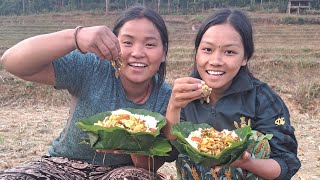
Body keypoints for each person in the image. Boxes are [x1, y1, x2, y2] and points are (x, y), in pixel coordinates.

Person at [0, 6, 171, 179]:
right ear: (113, 44)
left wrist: (136, 144)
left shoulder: (167, 100)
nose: (137, 53)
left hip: (121, 172)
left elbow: (150, 165)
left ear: (163, 52)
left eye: (150, 44)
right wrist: (76, 37)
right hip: (62, 167)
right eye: (127, 42)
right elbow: (11, 62)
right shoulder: (92, 66)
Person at [164, 8, 301, 180]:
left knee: (258, 139)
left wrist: (246, 162)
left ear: (245, 58)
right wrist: (173, 106)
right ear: (197, 51)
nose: (215, 61)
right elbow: (171, 148)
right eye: (207, 49)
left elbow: (286, 163)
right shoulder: (184, 95)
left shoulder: (263, 99)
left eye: (229, 52)